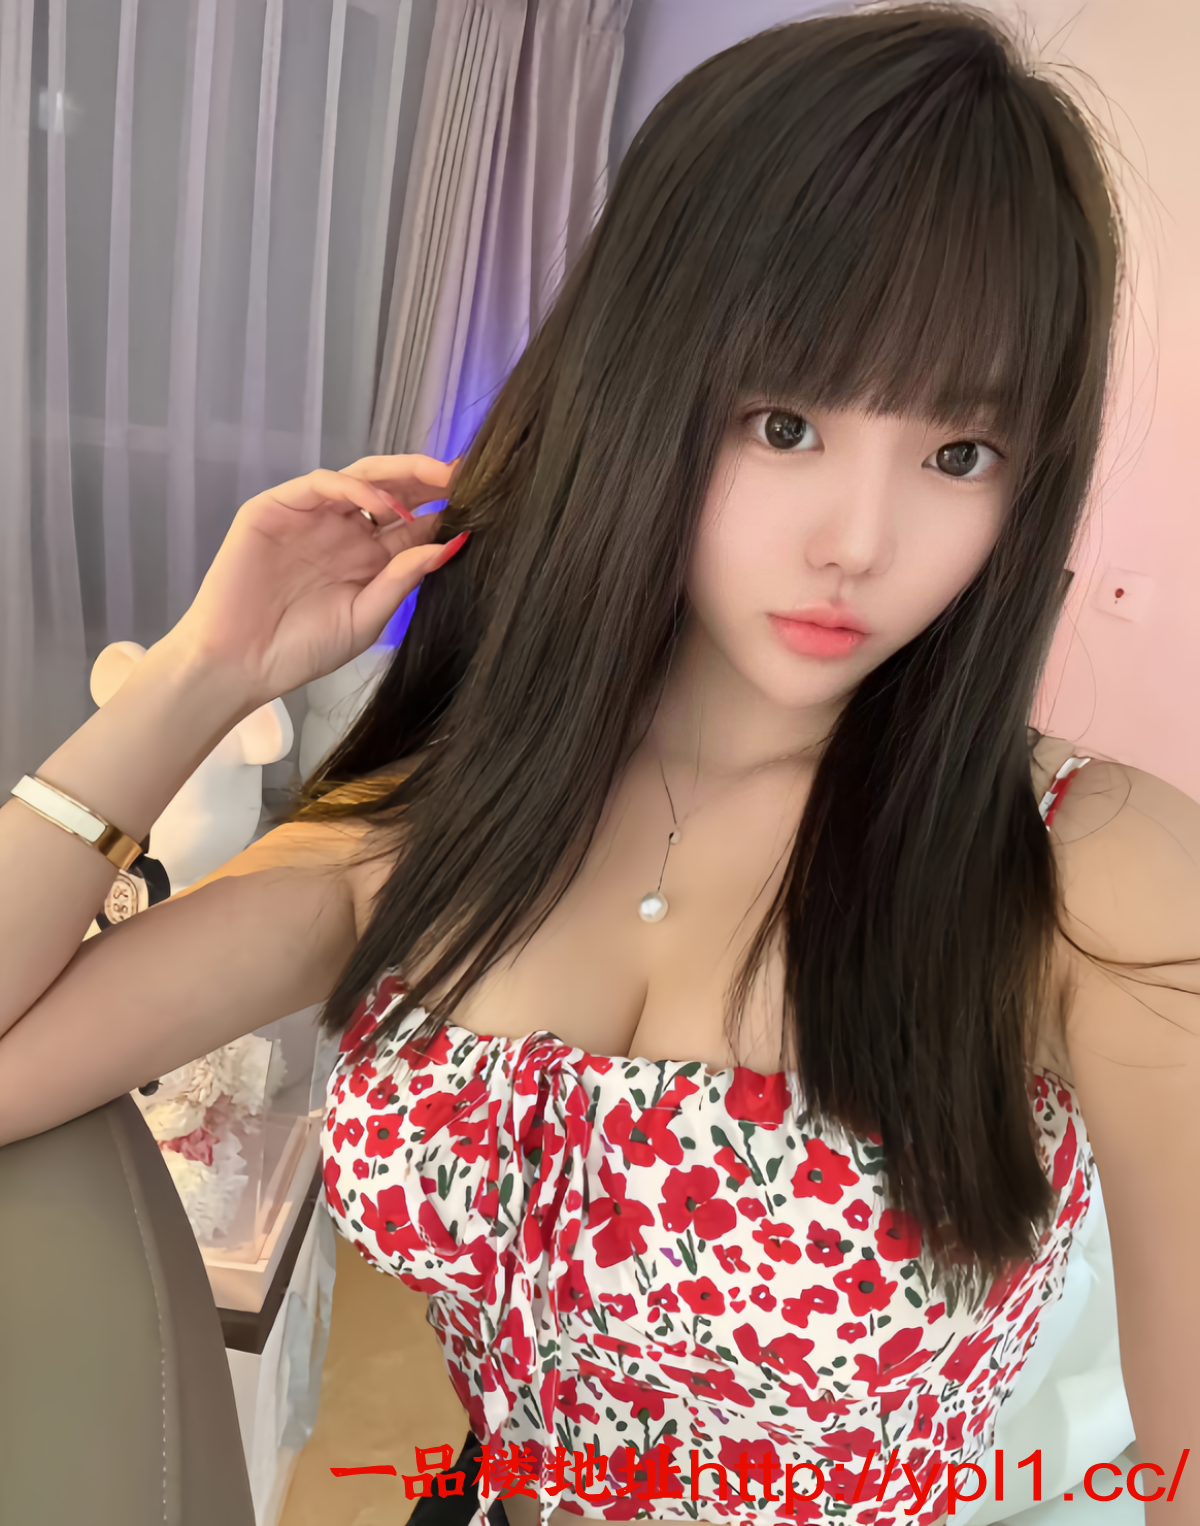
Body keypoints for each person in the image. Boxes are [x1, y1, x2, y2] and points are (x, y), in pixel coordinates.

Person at [2, 4, 1198, 1524]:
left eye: (961, 455)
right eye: (785, 422)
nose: (861, 540)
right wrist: (199, 672)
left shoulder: (1089, 873)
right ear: (643, 388)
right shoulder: (446, 818)